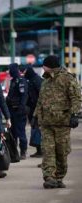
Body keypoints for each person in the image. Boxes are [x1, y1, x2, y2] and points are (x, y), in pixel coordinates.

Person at [33, 55, 81, 189]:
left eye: (44, 65)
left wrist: (75, 115)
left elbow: (76, 97)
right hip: (46, 124)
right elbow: (40, 101)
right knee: (48, 150)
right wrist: (35, 116)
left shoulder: (67, 79)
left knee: (61, 152)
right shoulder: (45, 82)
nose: (43, 67)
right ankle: (49, 177)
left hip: (62, 123)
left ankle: (59, 177)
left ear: (50, 66)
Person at [19, 65, 43, 157]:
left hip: (37, 109)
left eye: (24, 71)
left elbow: (41, 96)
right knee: (35, 129)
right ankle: (39, 150)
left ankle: (41, 151)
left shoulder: (36, 80)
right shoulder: (28, 80)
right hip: (31, 109)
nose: (23, 73)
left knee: (38, 130)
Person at [6, 63, 29, 160]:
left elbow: (23, 96)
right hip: (12, 111)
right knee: (13, 133)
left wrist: (21, 108)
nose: (9, 72)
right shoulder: (13, 81)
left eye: (10, 70)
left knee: (21, 132)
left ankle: (23, 151)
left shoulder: (21, 81)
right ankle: (14, 152)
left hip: (19, 111)